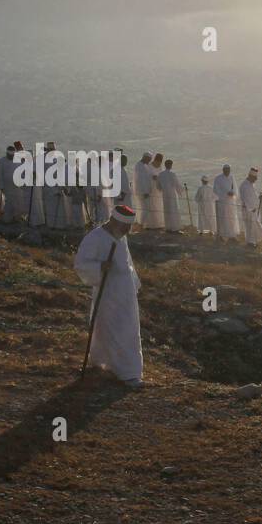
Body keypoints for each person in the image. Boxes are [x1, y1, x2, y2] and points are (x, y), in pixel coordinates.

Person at [73, 204, 143, 387]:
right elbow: (81, 264)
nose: (127, 231)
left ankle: (128, 369)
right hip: (107, 292)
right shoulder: (94, 238)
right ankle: (126, 373)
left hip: (125, 293)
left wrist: (134, 283)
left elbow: (127, 262)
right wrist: (99, 267)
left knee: (129, 330)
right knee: (111, 328)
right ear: (114, 221)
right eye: (124, 227)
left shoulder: (121, 235)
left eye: (129, 228)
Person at [239, 167, 262, 248]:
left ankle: (252, 242)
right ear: (250, 176)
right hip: (249, 210)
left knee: (253, 227)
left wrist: (259, 197)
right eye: (255, 178)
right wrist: (251, 208)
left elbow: (253, 197)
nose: (256, 180)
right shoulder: (244, 185)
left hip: (253, 209)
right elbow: (246, 198)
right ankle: (251, 243)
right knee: (250, 227)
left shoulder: (251, 185)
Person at [214, 165, 240, 241]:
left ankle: (232, 235)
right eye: (226, 170)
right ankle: (222, 235)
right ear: (223, 170)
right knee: (223, 218)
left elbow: (235, 188)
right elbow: (216, 190)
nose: (227, 171)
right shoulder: (218, 178)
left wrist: (233, 193)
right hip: (222, 202)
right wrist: (225, 194)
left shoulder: (232, 177)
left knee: (232, 218)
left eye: (228, 170)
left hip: (231, 201)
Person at [159, 159, 185, 233]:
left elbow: (158, 186)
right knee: (174, 210)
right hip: (172, 195)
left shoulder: (161, 174)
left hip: (164, 195)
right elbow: (177, 185)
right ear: (170, 165)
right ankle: (175, 227)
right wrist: (183, 189)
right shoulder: (172, 174)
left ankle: (168, 227)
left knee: (167, 210)